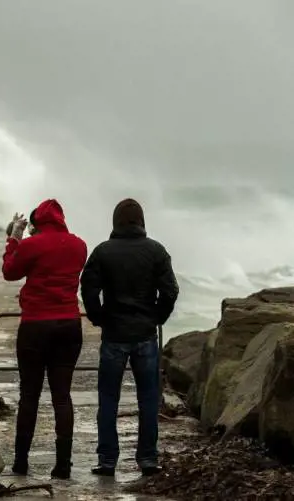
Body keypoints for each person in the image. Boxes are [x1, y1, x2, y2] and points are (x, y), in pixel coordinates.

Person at [80, 198, 179, 477]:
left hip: (114, 335)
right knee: (148, 399)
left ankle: (107, 460)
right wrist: (157, 317)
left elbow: (88, 288)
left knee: (108, 399)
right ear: (141, 221)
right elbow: (170, 291)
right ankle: (147, 458)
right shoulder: (156, 251)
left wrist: (98, 317)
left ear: (115, 222)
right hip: (145, 336)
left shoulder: (103, 252)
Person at [2, 199, 88, 480]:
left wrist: (14, 238)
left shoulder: (31, 245)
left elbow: (10, 271)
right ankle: (63, 465)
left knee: (29, 396)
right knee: (62, 397)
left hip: (36, 327)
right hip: (68, 325)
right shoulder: (79, 246)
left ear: (36, 223)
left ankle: (21, 463)